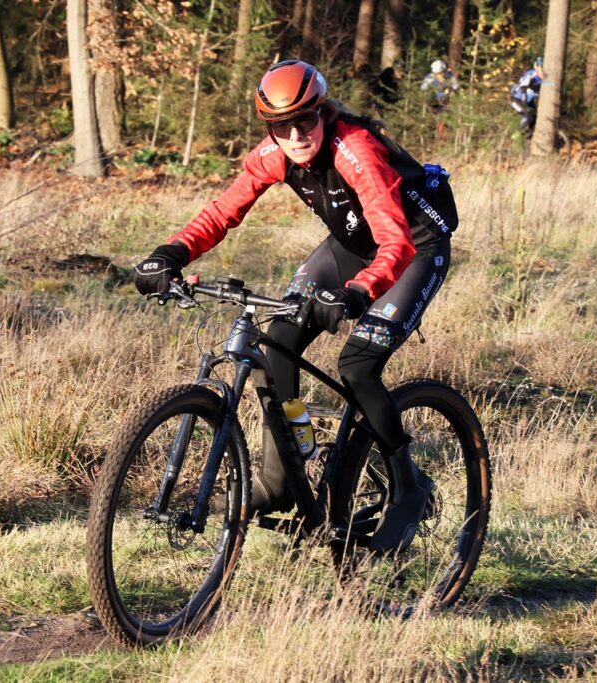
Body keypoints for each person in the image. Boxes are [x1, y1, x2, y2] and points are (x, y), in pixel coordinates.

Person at [133, 60, 458, 554]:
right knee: (278, 340)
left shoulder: (357, 151)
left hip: (414, 247)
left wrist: (357, 293)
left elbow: (394, 240)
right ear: (270, 129)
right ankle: (280, 476)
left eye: (305, 120)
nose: (296, 134)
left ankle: (409, 488)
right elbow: (223, 212)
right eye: (282, 127)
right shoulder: (273, 154)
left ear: (323, 112)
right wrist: (169, 254)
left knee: (357, 364)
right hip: (351, 245)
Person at [510, 57, 545, 131]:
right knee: (528, 113)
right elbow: (523, 88)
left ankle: (531, 135)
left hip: (529, 101)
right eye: (541, 70)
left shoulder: (543, 79)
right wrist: (525, 103)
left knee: (535, 118)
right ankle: (517, 133)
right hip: (517, 99)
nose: (542, 73)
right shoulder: (530, 75)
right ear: (536, 69)